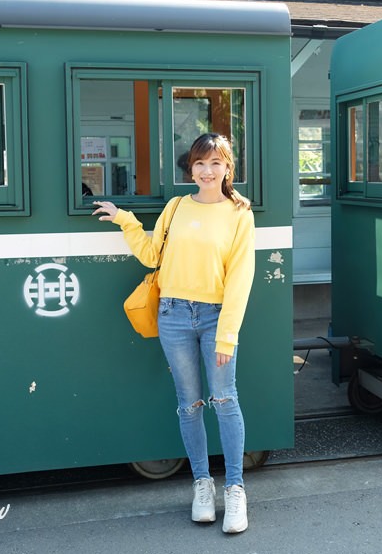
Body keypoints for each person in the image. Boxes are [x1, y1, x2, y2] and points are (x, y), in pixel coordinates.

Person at [92, 133, 255, 534]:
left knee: (225, 399)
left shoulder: (240, 214)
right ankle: (203, 485)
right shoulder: (177, 206)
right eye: (199, 163)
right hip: (173, 314)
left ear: (228, 168)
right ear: (191, 169)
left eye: (215, 162)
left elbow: (241, 279)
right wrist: (125, 219)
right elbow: (152, 255)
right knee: (189, 404)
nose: (206, 170)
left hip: (217, 316)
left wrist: (227, 335)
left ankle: (235, 490)